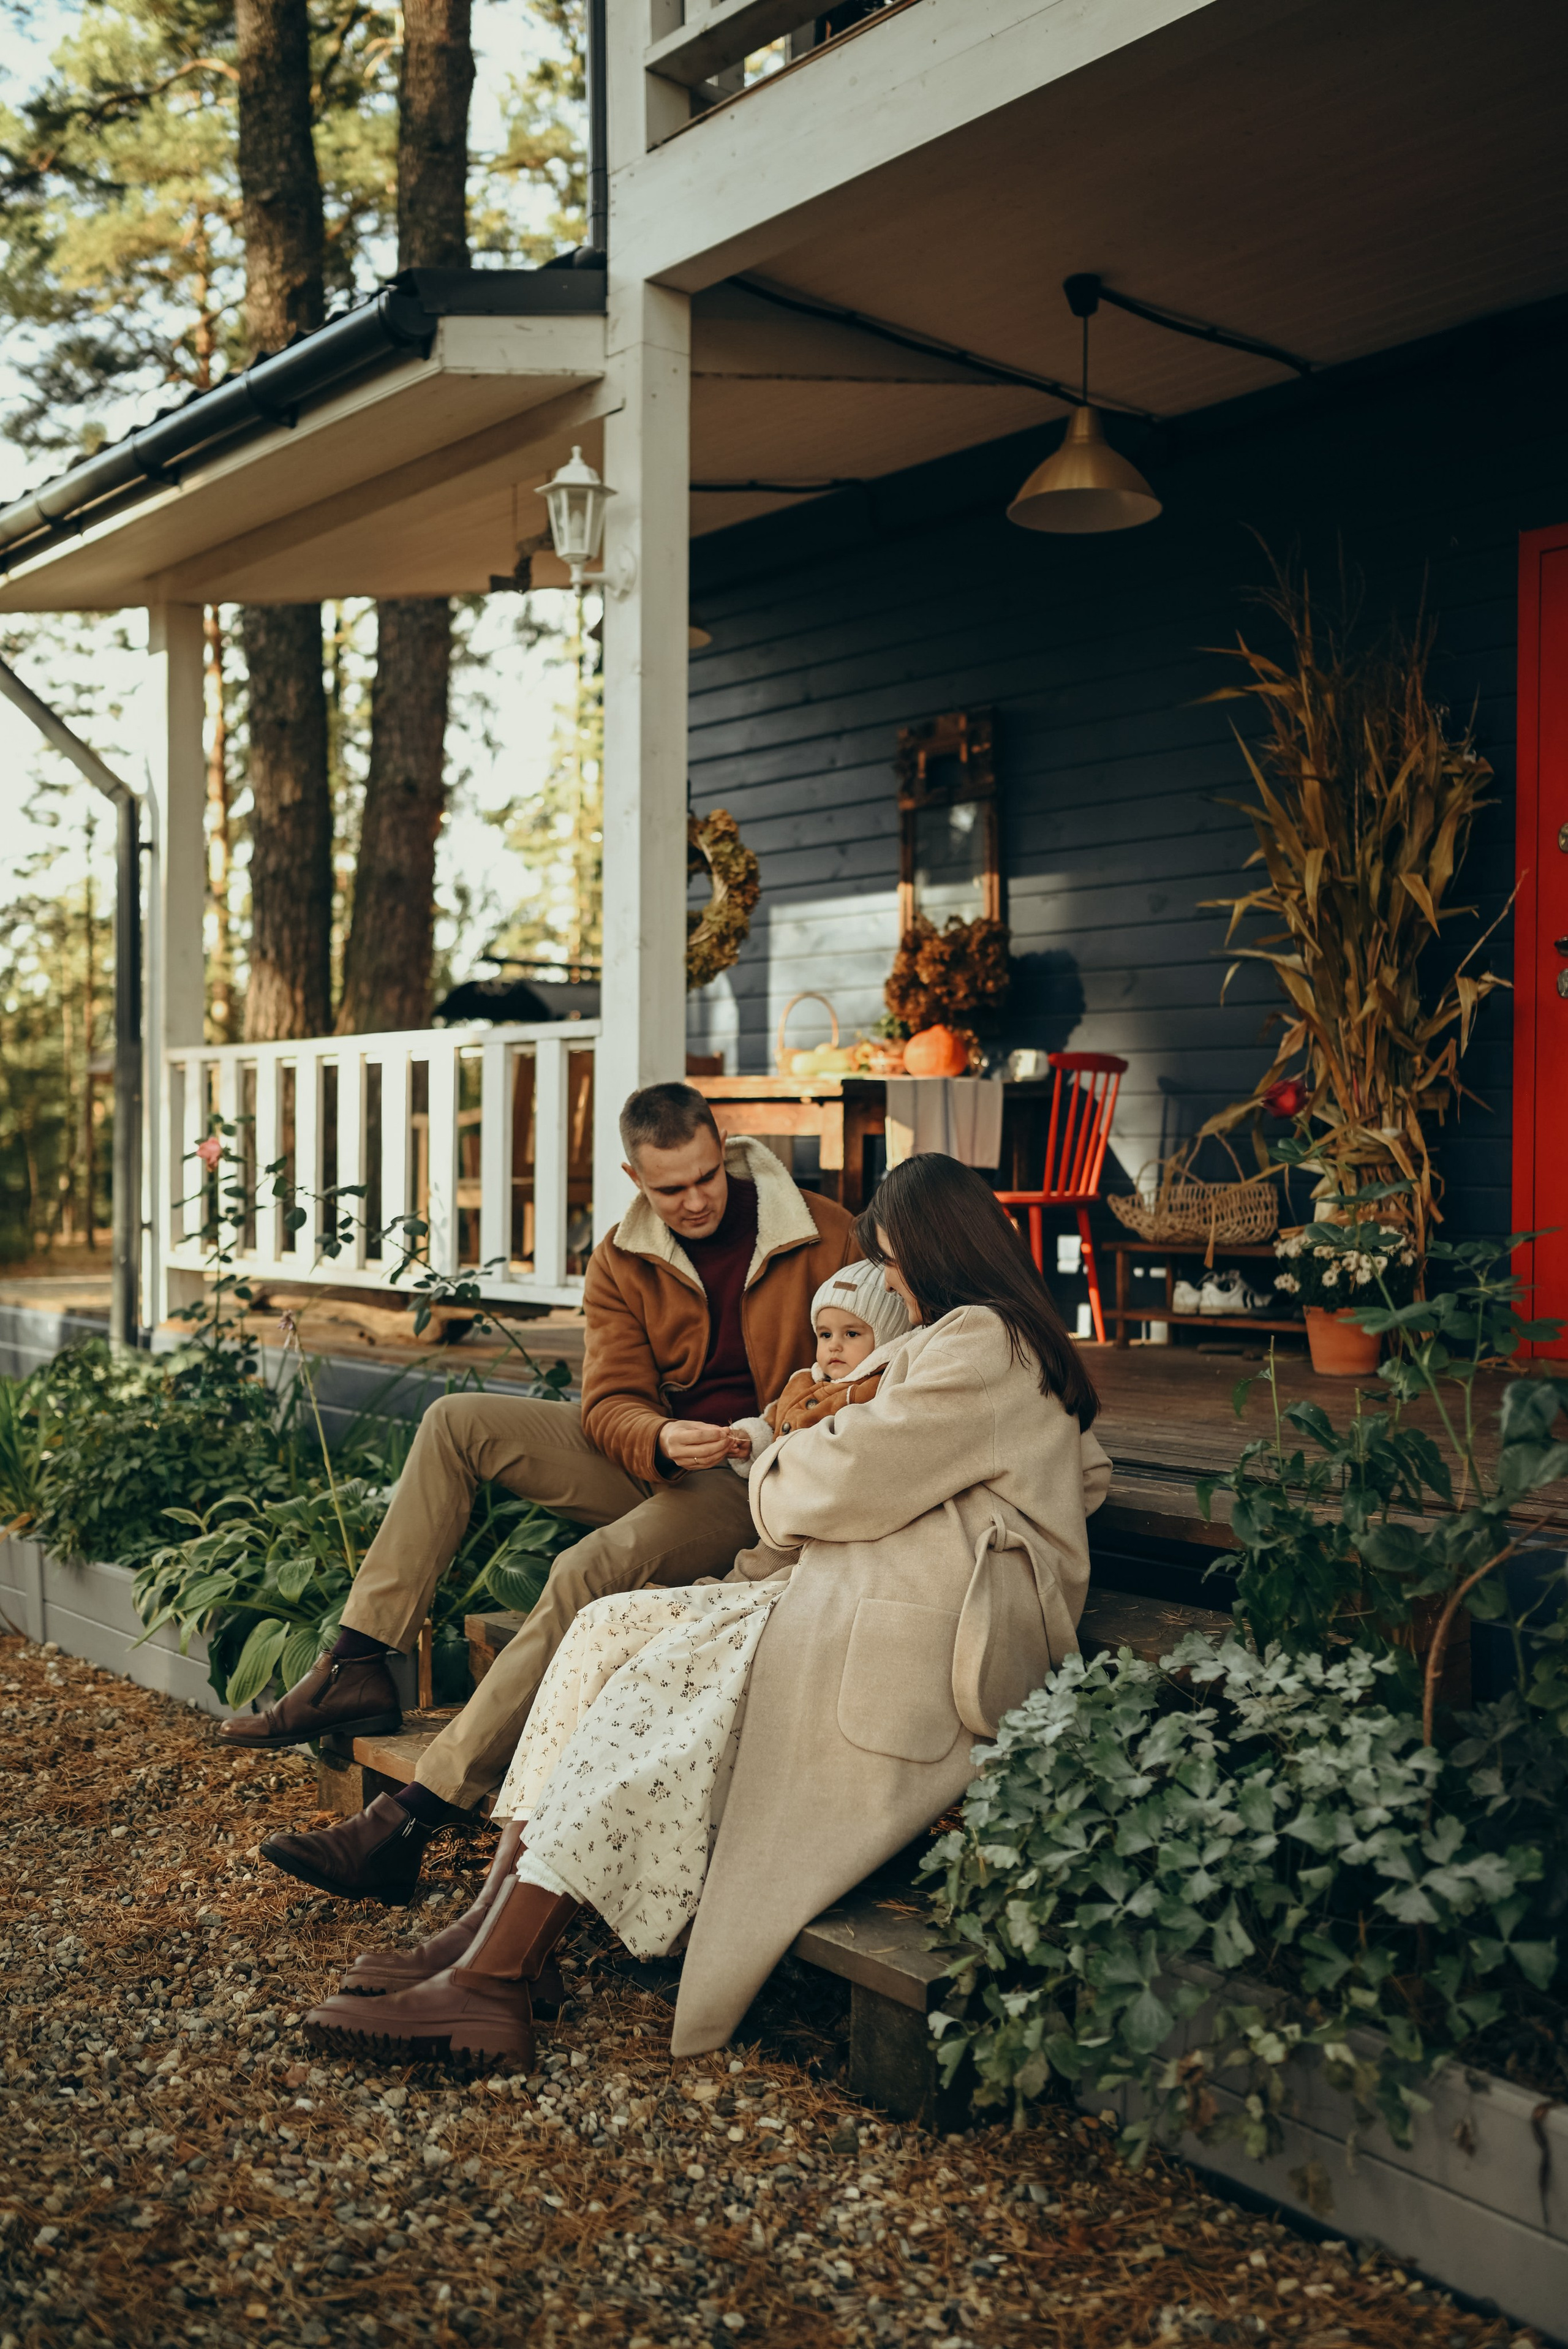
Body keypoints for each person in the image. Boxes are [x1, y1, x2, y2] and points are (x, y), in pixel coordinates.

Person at [298, 1153, 1110, 2067]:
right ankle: (493, 1932)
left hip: (906, 1632)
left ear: (934, 1249)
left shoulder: (982, 1344)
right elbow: (854, 1455)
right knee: (607, 1627)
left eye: (890, 1258)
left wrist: (777, 1465)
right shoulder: (969, 1341)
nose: (885, 1277)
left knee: (658, 1685)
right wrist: (809, 1459)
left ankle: (494, 1978)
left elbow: (831, 1478)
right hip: (850, 1592)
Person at [238, 1082, 860, 1905]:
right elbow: (608, 1405)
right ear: (635, 1177)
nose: (698, 1199)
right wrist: (658, 1437)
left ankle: (418, 1814)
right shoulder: (622, 1255)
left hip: (754, 1478)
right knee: (457, 1420)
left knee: (589, 1567)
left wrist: (774, 1429)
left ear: (724, 1149)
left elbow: (875, 1364)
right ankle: (357, 1660)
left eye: (708, 1176)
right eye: (672, 1188)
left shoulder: (823, 1231)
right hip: (665, 1452)